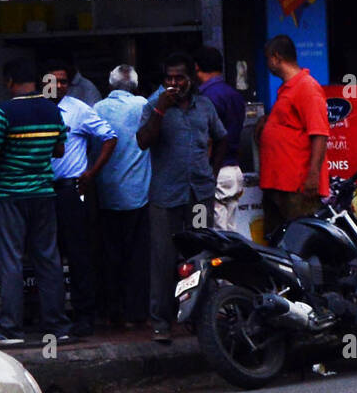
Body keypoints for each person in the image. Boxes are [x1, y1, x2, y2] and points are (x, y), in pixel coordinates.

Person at [137, 52, 227, 343]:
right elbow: (142, 141)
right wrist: (160, 111)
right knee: (163, 259)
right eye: (168, 79)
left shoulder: (205, 105)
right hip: (166, 197)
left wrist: (211, 174)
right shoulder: (154, 104)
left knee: (201, 257)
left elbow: (222, 137)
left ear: (191, 78)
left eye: (179, 78)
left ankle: (201, 317)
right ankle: (161, 322)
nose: (174, 83)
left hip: (199, 195)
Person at [0, 57, 71, 345]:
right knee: (48, 259)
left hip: (11, 194)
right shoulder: (52, 110)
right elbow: (58, 150)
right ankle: (58, 327)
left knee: (11, 261)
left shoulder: (4, 112)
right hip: (44, 192)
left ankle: (11, 330)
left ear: (9, 82)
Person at [44, 59, 117, 338]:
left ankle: (84, 315)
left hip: (71, 190)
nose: (59, 86)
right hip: (41, 191)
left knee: (79, 254)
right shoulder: (35, 108)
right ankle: (51, 316)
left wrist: (92, 172)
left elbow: (109, 137)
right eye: (54, 80)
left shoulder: (78, 110)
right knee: (47, 255)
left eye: (63, 81)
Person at [93, 65, 152, 329]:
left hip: (106, 193)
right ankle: (136, 312)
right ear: (136, 86)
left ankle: (111, 310)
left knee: (109, 255)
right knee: (138, 256)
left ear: (110, 84)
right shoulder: (144, 105)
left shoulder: (97, 109)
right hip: (139, 193)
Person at [255, 36, 330, 242]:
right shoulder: (288, 88)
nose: (267, 64)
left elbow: (320, 133)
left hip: (297, 185)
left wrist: (313, 174)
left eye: (268, 59)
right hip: (278, 183)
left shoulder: (307, 86)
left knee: (300, 242)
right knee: (276, 241)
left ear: (276, 58)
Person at [194, 47, 248, 231]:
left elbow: (209, 138)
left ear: (197, 68)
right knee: (231, 231)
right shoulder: (234, 95)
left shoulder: (206, 98)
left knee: (214, 234)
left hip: (217, 171)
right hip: (234, 171)